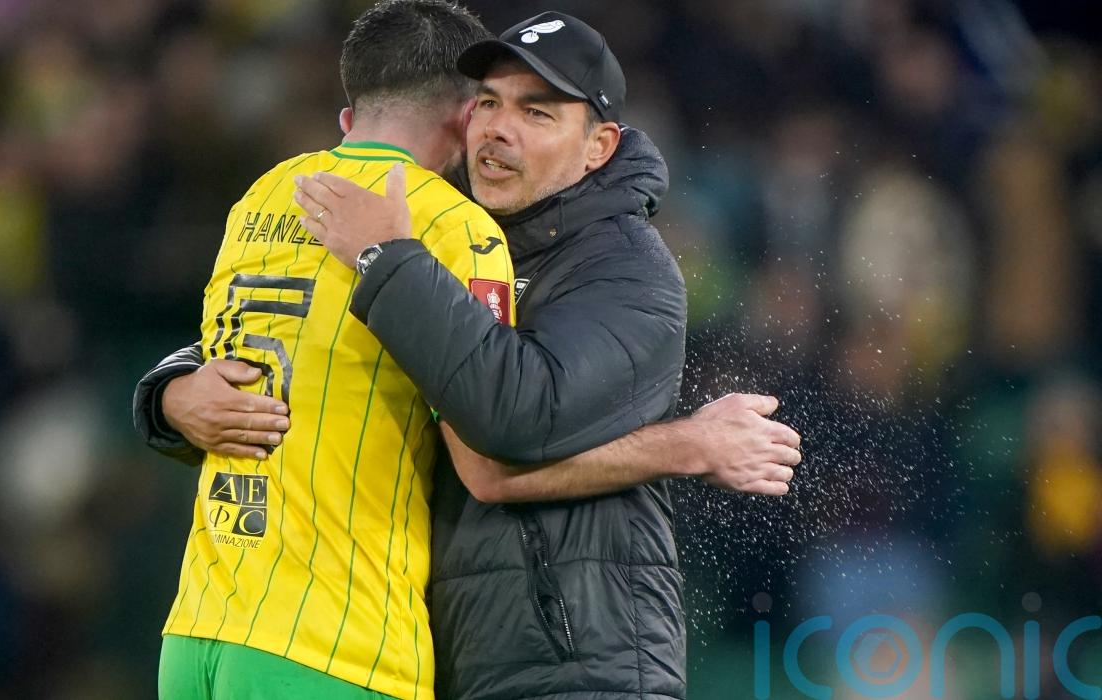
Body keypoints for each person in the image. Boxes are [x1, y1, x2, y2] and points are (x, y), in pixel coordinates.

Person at [137, 9, 803, 700]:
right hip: (447, 650)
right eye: (488, 102)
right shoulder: (437, 227)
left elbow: (508, 434)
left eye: (537, 113)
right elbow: (285, 331)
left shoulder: (625, 268)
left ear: (598, 146)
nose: (499, 128)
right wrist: (172, 394)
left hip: (576, 661)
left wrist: (686, 446)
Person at [144, 3, 514, 698]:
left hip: (198, 630)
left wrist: (165, 395)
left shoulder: (263, 196)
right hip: (338, 641)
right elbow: (490, 456)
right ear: (467, 115)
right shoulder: (455, 227)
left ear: (353, 110)